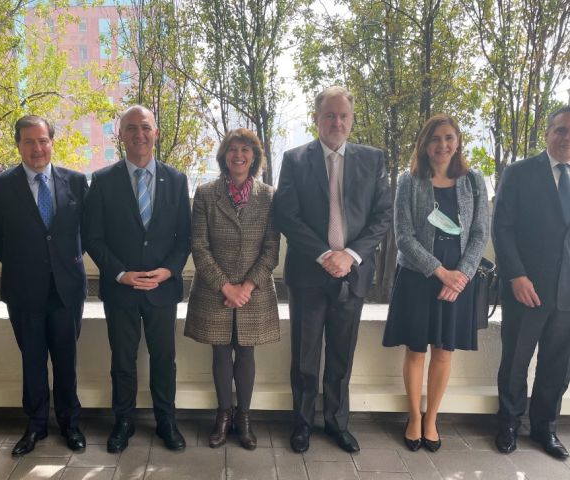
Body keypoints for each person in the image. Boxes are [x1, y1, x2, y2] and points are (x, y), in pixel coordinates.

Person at [273, 86, 392, 453]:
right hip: (309, 275)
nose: (336, 122)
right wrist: (326, 254)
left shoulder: (373, 160)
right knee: (305, 357)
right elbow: (286, 215)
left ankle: (337, 423)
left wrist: (351, 254)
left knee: (342, 354)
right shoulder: (295, 159)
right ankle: (303, 423)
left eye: (343, 116)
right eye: (329, 115)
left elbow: (382, 215)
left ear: (352, 120)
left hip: (353, 275)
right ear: (317, 118)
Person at [84, 105, 191, 453]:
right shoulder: (101, 181)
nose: (139, 134)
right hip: (122, 290)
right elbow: (93, 237)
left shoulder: (176, 180)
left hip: (162, 288)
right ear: (122, 136)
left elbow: (185, 237)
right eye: (131, 128)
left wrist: (170, 270)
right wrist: (121, 273)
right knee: (122, 360)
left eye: (145, 127)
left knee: (164, 359)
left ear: (155, 132)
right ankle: (124, 421)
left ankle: (166, 421)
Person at [382, 114, 488, 452]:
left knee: (444, 352)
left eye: (449, 138)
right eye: (435, 139)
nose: (442, 145)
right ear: (424, 145)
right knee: (416, 350)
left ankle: (432, 419)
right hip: (418, 278)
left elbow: (479, 234)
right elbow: (404, 235)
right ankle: (414, 417)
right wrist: (440, 272)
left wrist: (461, 276)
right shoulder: (409, 181)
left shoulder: (473, 181)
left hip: (458, 282)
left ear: (457, 142)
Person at [0, 115, 88, 455]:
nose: (37, 148)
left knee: (67, 360)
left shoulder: (75, 181)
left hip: (66, 289)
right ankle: (36, 425)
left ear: (52, 142)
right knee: (32, 361)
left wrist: (61, 261)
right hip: (24, 289)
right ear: (18, 145)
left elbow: (84, 232)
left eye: (43, 140)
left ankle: (70, 424)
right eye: (29, 141)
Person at [184, 129, 280, 450]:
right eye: (232, 149)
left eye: (245, 150)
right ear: (224, 156)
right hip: (215, 291)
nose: (238, 155)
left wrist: (246, 287)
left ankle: (244, 418)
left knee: (247, 351)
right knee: (221, 351)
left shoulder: (268, 196)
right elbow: (199, 246)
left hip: (255, 291)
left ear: (254, 157)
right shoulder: (206, 193)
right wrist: (227, 287)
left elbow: (271, 248)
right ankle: (223, 415)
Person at [493, 105, 570, 459]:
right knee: (516, 361)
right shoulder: (520, 173)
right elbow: (503, 228)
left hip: (567, 292)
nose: (566, 138)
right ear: (547, 133)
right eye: (560, 130)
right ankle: (508, 423)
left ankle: (545, 428)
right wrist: (516, 275)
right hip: (526, 288)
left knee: (558, 363)